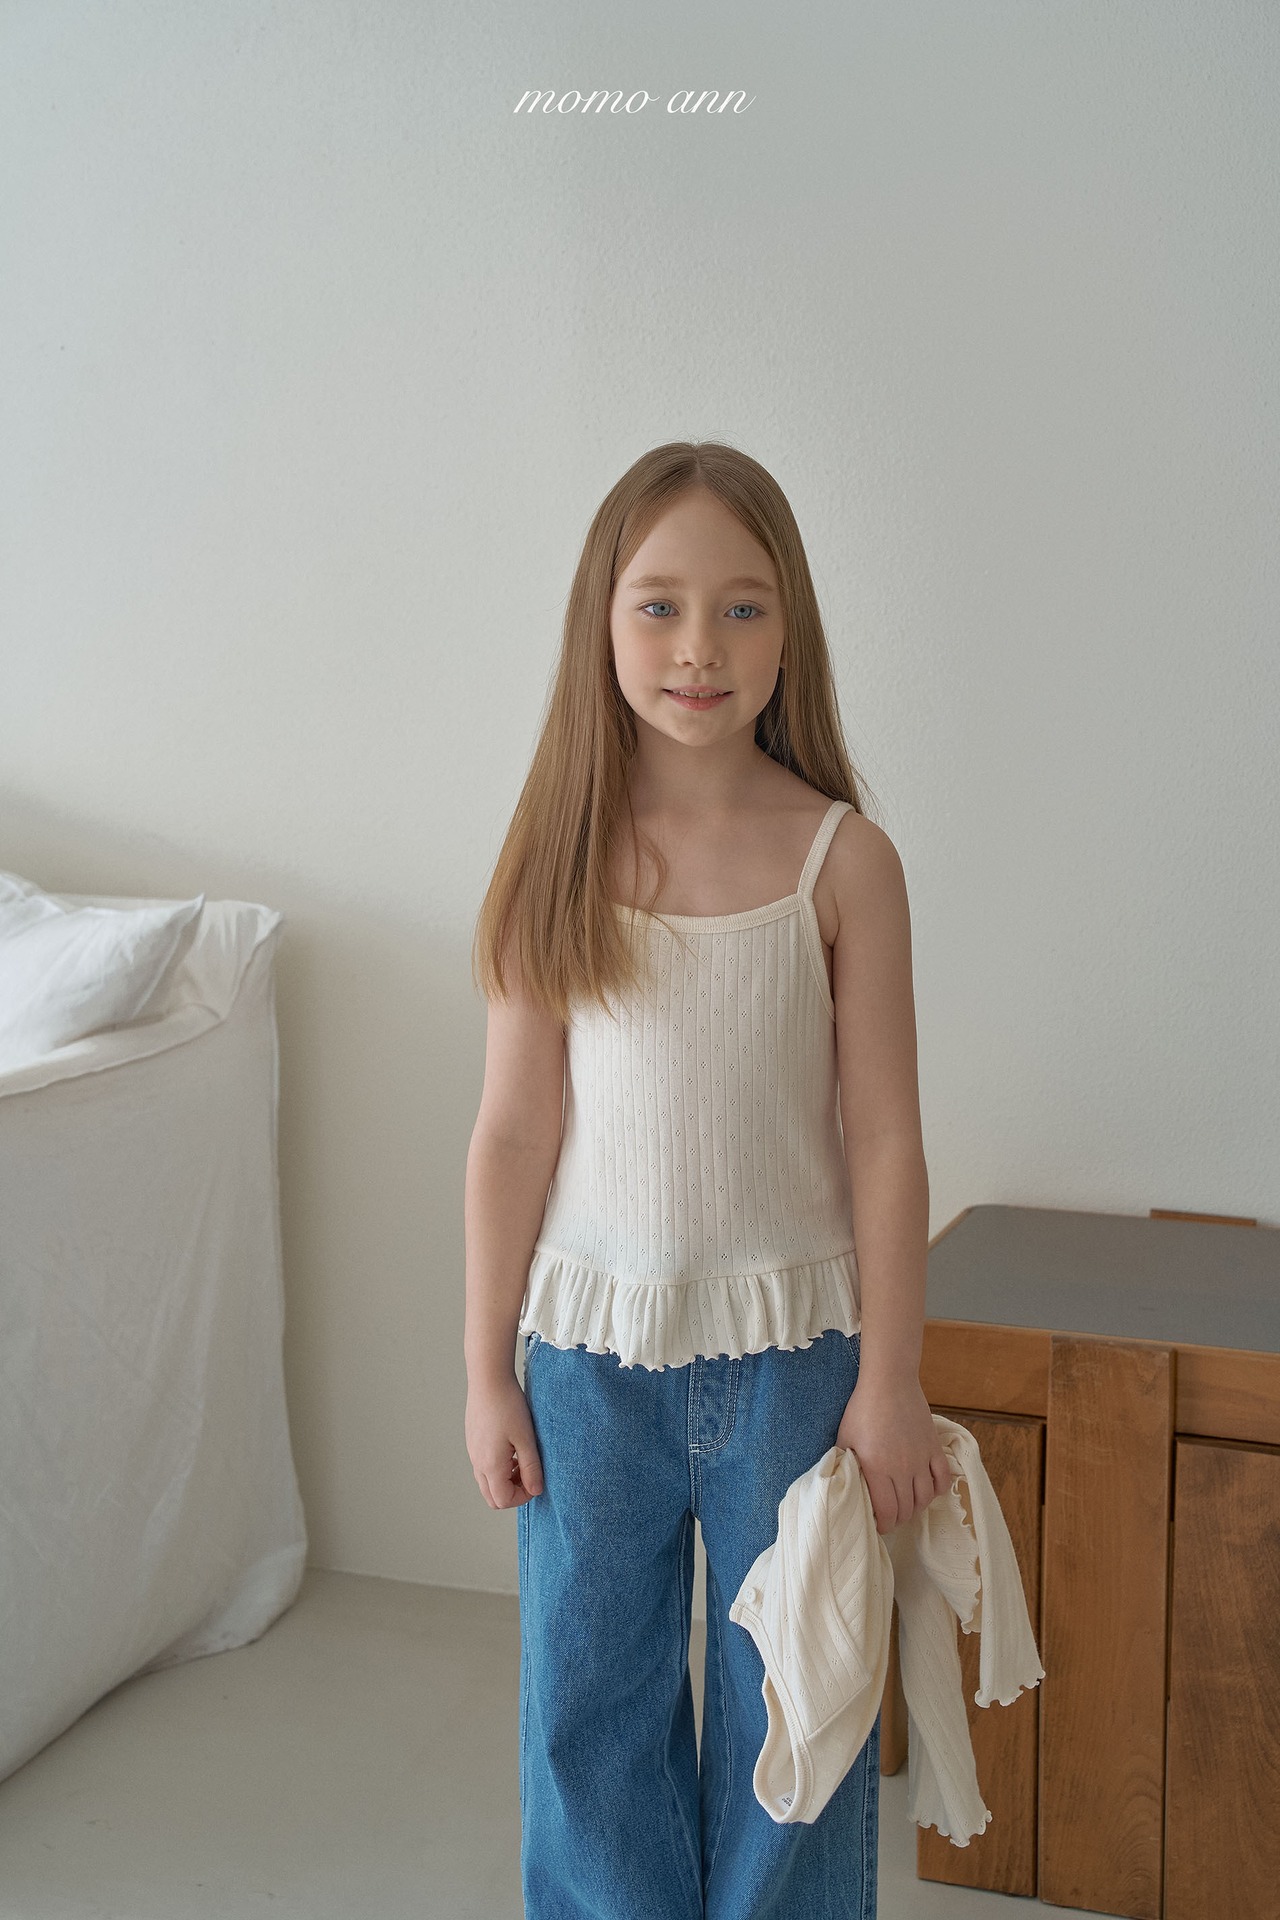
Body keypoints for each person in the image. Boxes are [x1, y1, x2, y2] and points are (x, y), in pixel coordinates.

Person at [464, 440, 951, 1919]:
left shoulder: (844, 864)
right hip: (587, 1367)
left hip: (798, 1371)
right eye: (661, 606)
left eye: (743, 608)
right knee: (588, 1710)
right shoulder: (558, 858)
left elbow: (886, 1139)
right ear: (602, 622)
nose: (700, 647)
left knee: (799, 1704)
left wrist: (892, 1378)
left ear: (790, 628)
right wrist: (485, 1372)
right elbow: (512, 1133)